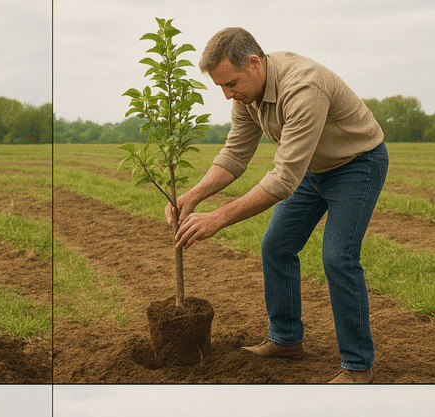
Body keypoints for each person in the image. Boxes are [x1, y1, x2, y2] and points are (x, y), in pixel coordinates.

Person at [166, 28, 387, 383]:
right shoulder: (246, 96)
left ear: (254, 63)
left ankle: (359, 366)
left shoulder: (304, 87)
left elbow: (283, 179)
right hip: (311, 168)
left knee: (338, 257)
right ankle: (286, 340)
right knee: (276, 246)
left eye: (231, 84)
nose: (227, 95)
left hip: (356, 164)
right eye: (221, 87)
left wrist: (218, 217)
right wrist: (193, 195)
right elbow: (235, 155)